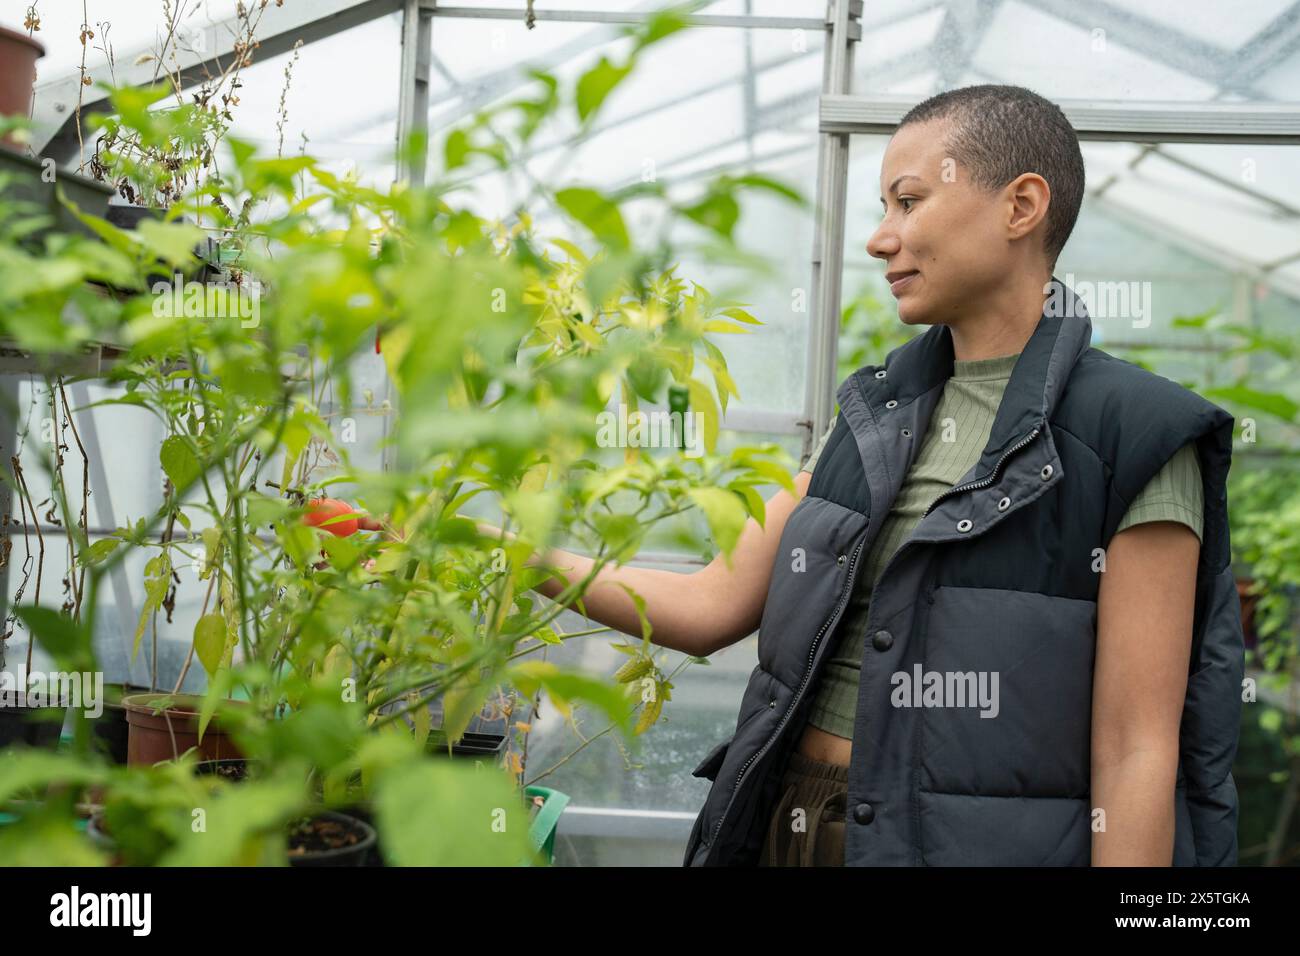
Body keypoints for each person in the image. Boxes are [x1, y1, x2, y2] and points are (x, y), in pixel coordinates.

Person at [470, 85, 1243, 867]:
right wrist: (490, 546)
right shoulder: (875, 416)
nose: (879, 239)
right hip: (790, 820)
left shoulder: (1135, 435)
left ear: (1022, 207)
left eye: (908, 202)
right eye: (882, 206)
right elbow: (708, 605)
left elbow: (1135, 748)